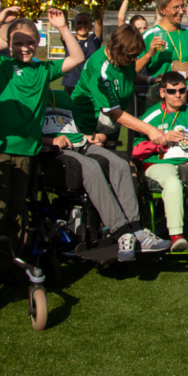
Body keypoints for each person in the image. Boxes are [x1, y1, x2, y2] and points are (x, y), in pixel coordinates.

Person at [0, 7, 85, 285]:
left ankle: (5, 263)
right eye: (18, 43)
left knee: (16, 212)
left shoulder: (44, 69)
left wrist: (61, 27)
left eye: (29, 42)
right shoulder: (1, 66)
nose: (24, 48)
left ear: (38, 43)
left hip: (27, 151)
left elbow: (77, 57)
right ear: (9, 44)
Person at [42, 89, 169, 260]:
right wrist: (51, 140)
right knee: (92, 167)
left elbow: (73, 128)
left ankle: (136, 229)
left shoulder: (62, 96)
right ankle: (121, 231)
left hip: (79, 142)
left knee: (121, 164)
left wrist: (91, 137)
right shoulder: (28, 98)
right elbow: (26, 136)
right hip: (54, 149)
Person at [133, 71, 188, 257]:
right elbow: (136, 151)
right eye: (172, 91)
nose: (178, 95)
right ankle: (176, 236)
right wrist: (162, 140)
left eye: (182, 90)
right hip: (160, 163)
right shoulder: (151, 116)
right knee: (172, 183)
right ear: (162, 92)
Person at [71, 23, 172, 148]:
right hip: (89, 123)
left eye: (137, 55)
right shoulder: (101, 69)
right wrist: (150, 129)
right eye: (132, 56)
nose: (135, 59)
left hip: (109, 122)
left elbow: (130, 75)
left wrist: (150, 80)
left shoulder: (123, 58)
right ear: (118, 49)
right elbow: (114, 112)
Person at [138, 0, 188, 93]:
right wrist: (149, 54)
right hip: (160, 100)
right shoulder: (148, 36)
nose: (181, 11)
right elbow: (131, 71)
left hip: (187, 98)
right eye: (176, 7)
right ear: (162, 9)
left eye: (182, 6)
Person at [60, 12, 103, 95]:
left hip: (91, 83)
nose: (82, 26)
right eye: (79, 23)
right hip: (71, 84)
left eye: (85, 23)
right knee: (70, 107)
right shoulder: (69, 40)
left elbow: (99, 21)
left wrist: (99, 5)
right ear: (74, 25)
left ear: (91, 26)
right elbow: (63, 25)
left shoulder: (94, 41)